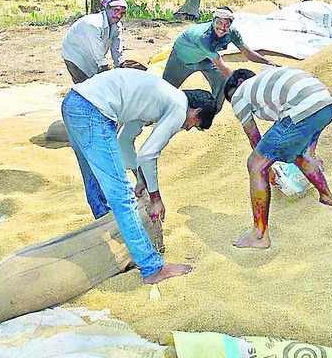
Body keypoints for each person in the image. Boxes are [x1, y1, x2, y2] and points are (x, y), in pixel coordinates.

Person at [61, 67, 217, 283]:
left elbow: (125, 141)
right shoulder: (179, 107)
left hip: (74, 102)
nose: (188, 128)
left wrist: (141, 179)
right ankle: (152, 268)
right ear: (196, 111)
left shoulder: (157, 97)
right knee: (123, 197)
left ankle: (110, 229)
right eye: (194, 124)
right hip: (94, 110)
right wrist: (156, 199)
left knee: (95, 182)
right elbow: (148, 154)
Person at [222, 67, 332, 249]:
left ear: (237, 83)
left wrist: (265, 170)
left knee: (255, 163)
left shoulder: (239, 93)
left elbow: (255, 140)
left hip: (302, 109)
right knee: (299, 153)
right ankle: (327, 196)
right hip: (326, 105)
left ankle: (259, 235)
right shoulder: (268, 80)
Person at [162, 6, 279, 111]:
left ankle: (212, 111)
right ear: (213, 21)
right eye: (219, 22)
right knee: (166, 88)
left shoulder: (232, 33)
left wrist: (268, 62)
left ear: (230, 24)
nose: (222, 27)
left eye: (226, 23)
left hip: (205, 59)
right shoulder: (204, 37)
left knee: (222, 81)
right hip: (182, 59)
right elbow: (221, 65)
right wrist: (243, 84)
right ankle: (157, 113)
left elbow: (247, 53)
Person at [61, 0, 128, 84]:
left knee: (96, 85)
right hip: (75, 55)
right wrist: (108, 74)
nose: (119, 15)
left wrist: (120, 65)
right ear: (107, 9)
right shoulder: (93, 24)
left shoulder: (117, 25)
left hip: (91, 57)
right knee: (84, 87)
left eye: (122, 13)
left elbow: (117, 46)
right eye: (116, 10)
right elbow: (98, 53)